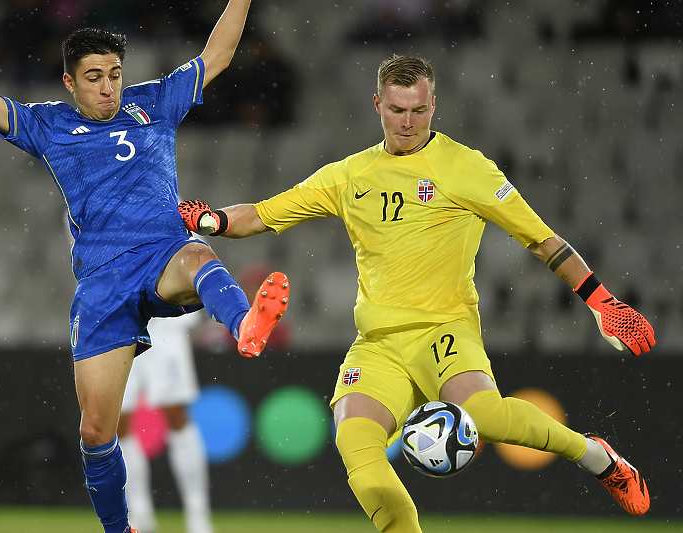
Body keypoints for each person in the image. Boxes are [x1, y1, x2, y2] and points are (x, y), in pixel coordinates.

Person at [177, 55, 655, 532]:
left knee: (486, 415)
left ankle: (598, 458)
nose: (408, 123)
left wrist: (601, 301)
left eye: (419, 111)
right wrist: (212, 221)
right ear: (377, 105)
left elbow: (542, 239)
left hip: (444, 329)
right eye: (397, 110)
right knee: (355, 443)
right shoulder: (348, 176)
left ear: (434, 106)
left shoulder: (467, 168)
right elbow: (263, 214)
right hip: (379, 343)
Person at [0, 1, 289, 532]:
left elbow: (218, 54)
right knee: (97, 433)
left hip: (160, 256)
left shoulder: (154, 103)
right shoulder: (47, 125)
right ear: (69, 82)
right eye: (95, 77)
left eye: (115, 75)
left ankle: (245, 325)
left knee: (197, 253)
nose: (108, 88)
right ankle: (119, 529)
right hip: (103, 286)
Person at [117, 312, 213, 533]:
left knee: (176, 415)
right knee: (118, 424)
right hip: (120, 324)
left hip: (165, 324)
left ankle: (198, 517)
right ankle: (139, 515)